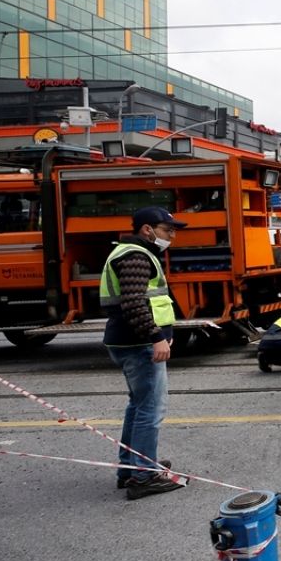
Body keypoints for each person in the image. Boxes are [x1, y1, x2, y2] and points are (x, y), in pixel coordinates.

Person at [101, 206, 188, 500]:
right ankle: (143, 475)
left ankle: (130, 468)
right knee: (150, 410)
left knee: (138, 406)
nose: (172, 236)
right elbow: (134, 304)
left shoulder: (132, 252)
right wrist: (156, 338)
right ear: (147, 230)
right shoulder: (136, 255)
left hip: (129, 341)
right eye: (167, 230)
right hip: (138, 343)